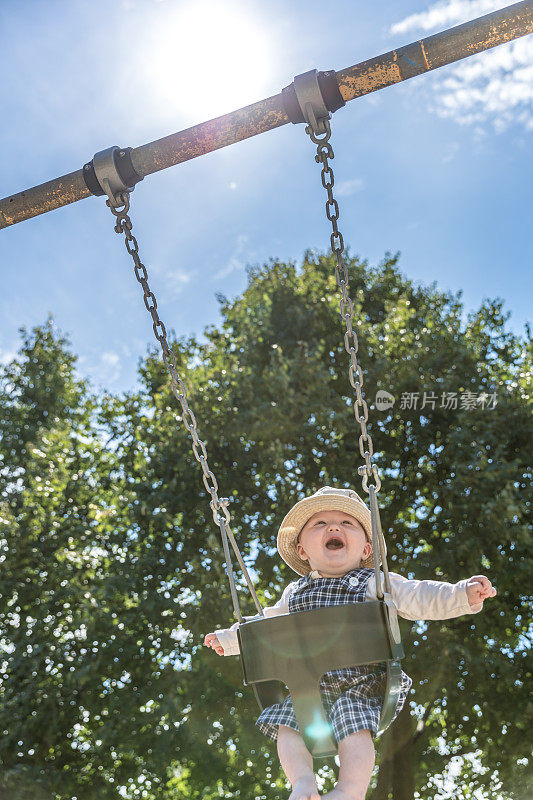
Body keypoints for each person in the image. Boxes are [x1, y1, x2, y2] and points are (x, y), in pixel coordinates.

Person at [204, 486, 496, 800]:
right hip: (309, 687)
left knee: (354, 727)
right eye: (320, 524)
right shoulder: (294, 593)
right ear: (303, 550)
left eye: (347, 523)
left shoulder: (376, 583)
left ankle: (348, 791)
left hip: (363, 683)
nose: (334, 527)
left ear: (366, 550)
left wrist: (461, 594)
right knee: (287, 726)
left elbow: (418, 594)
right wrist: (229, 639)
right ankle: (302, 783)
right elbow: (264, 627)